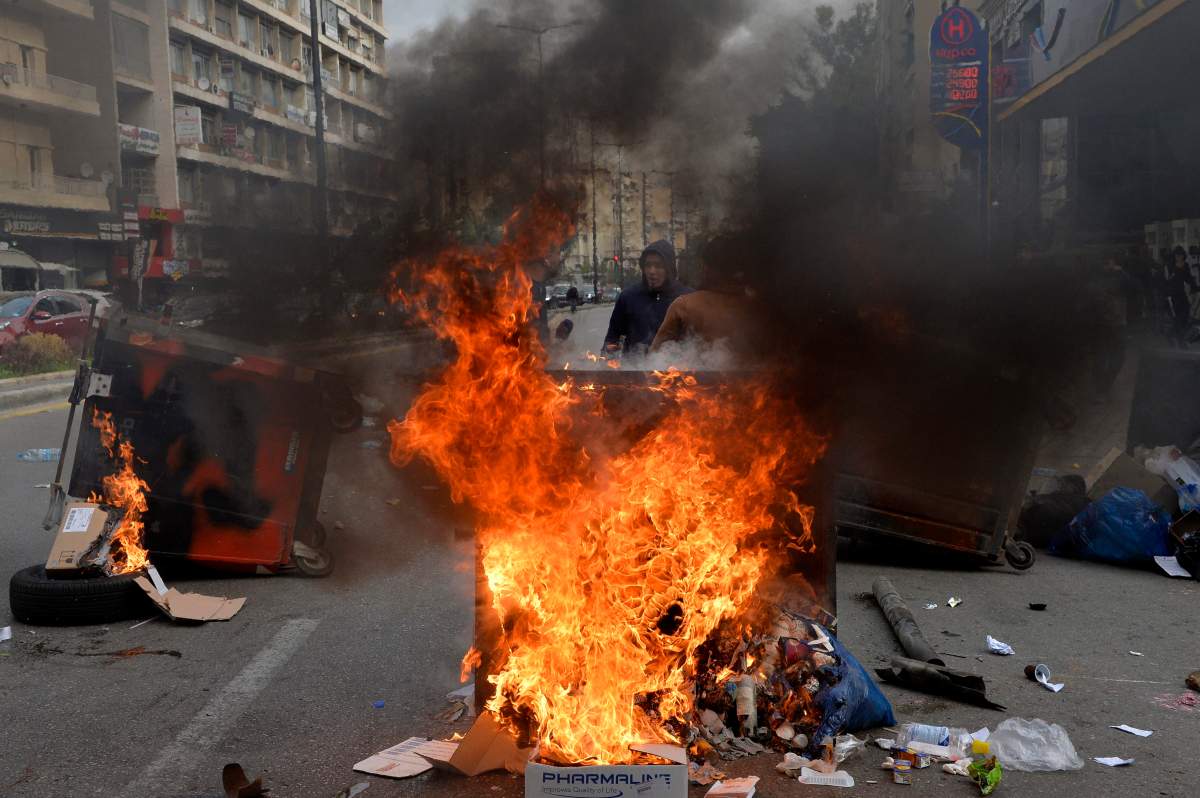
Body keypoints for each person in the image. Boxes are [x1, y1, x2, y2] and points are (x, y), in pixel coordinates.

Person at [602, 240, 692, 355]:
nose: (652, 271)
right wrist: (607, 364)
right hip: (634, 369)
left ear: (669, 268)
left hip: (673, 370)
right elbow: (612, 338)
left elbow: (696, 342)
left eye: (659, 266)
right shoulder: (628, 297)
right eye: (648, 265)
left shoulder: (687, 298)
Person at [1164, 245, 1196, 348]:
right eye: (1177, 255)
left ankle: (1177, 335)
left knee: (1185, 315)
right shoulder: (1170, 266)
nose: (1179, 257)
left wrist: (1195, 287)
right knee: (1178, 317)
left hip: (1182, 294)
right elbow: (1168, 280)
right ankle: (1176, 337)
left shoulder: (1185, 265)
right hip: (1173, 295)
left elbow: (1189, 278)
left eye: (1181, 255)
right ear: (1175, 256)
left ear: (1183, 255)